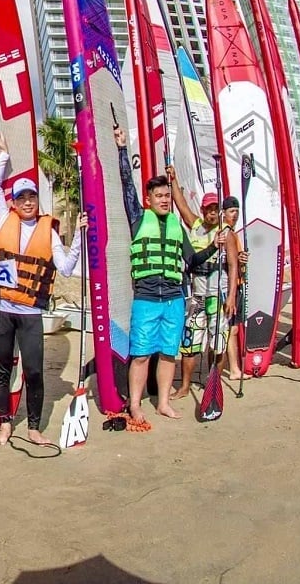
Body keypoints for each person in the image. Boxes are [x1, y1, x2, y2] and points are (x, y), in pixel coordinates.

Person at [114, 128, 220, 425]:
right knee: (141, 356)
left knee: (168, 354)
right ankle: (135, 404)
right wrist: (122, 149)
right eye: (158, 196)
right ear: (148, 200)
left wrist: (214, 246)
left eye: (166, 196)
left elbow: (193, 260)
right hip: (146, 299)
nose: (163, 200)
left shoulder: (176, 226)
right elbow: (127, 186)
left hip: (174, 299)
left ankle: (162, 403)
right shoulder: (138, 218)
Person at [0, 133, 84, 446]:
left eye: (31, 197)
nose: (27, 202)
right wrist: (3, 155)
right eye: (21, 198)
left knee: (33, 372)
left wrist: (80, 236)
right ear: (14, 203)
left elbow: (67, 268)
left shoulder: (49, 231)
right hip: (2, 309)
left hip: (30, 313)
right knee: (2, 371)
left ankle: (32, 427)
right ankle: (4, 423)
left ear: (37, 201)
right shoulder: (5, 218)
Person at [167, 170, 239, 397]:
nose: (211, 213)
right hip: (196, 296)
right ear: (203, 210)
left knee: (217, 343)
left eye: (215, 209)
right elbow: (180, 205)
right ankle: (185, 386)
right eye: (208, 209)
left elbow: (234, 265)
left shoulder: (225, 232)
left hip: (217, 295)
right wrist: (174, 179)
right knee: (190, 344)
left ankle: (213, 382)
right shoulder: (195, 224)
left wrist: (231, 297)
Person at [219, 196, 249, 380]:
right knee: (231, 329)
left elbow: (235, 261)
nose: (235, 215)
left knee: (235, 328)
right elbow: (228, 263)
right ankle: (234, 369)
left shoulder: (233, 232)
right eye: (232, 211)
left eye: (237, 211)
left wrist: (242, 259)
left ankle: (235, 368)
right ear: (224, 213)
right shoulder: (225, 232)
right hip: (229, 286)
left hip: (237, 284)